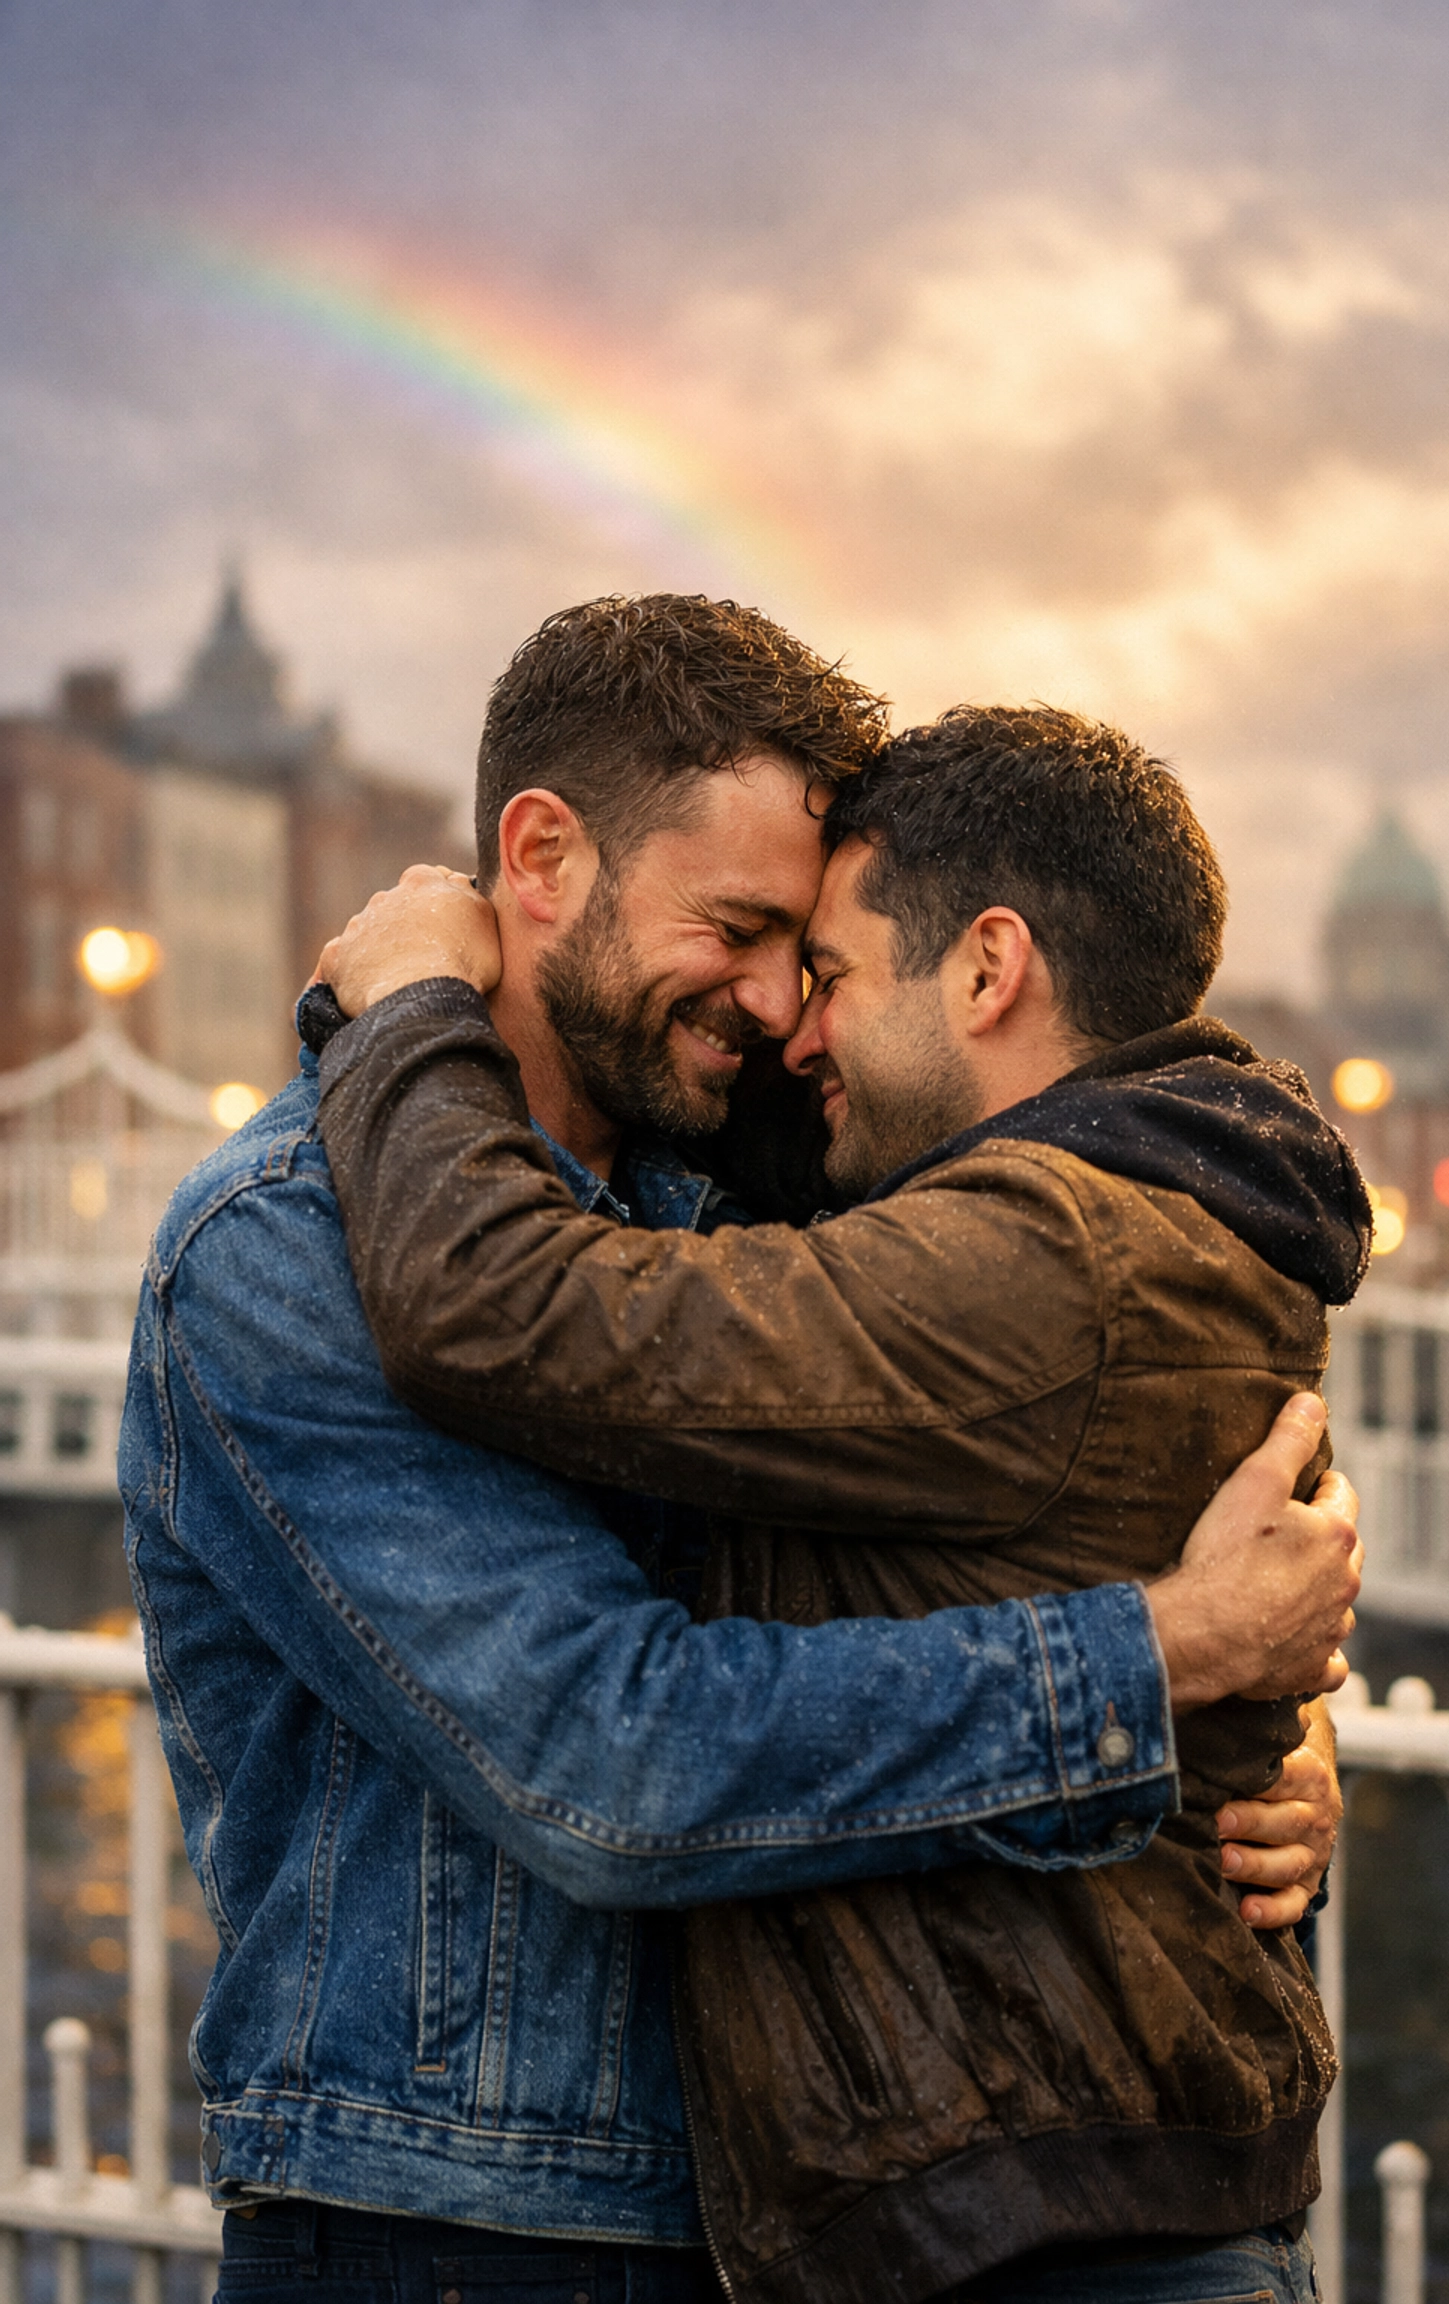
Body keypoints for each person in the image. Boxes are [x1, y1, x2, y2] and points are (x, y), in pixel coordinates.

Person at [122, 599, 1356, 2304]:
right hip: (456, 2230)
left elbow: (1017, 1498)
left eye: (813, 953)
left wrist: (1246, 1748)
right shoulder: (284, 1248)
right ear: (541, 856)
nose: (783, 1005)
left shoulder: (730, 1192)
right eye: (743, 926)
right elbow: (609, 1764)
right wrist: (1151, 1669)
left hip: (761, 2225)